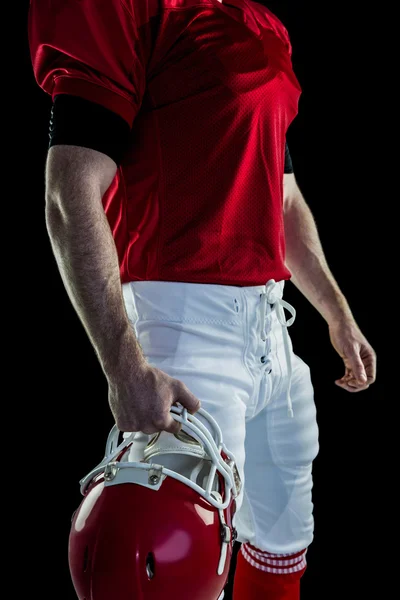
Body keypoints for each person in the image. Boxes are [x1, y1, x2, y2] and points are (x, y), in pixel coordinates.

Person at [28, 1, 376, 599]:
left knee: (282, 543)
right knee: (161, 559)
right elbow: (69, 191)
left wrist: (337, 313)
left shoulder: (258, 21)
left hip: (272, 330)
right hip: (183, 326)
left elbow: (282, 199)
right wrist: (123, 365)